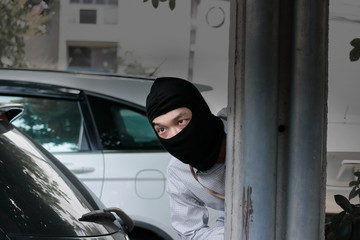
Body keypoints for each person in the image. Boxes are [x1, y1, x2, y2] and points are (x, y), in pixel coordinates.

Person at [146, 77, 227, 240]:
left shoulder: (248, 126)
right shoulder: (178, 171)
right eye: (162, 129)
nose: (176, 136)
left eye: (181, 121)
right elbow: (190, 233)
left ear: (200, 113)